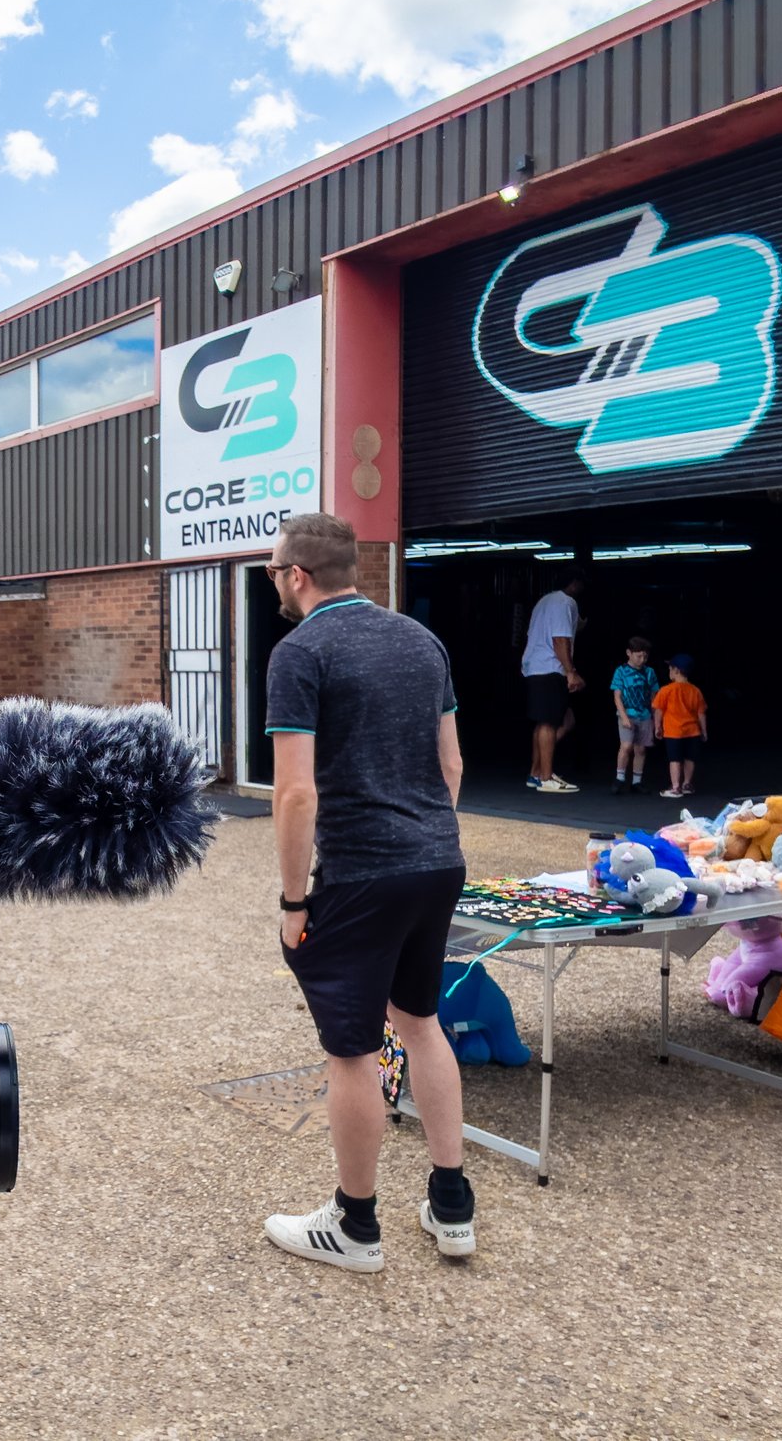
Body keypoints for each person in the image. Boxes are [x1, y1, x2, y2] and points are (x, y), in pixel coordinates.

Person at [261, 513, 474, 1274]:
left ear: (296, 575)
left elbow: (295, 794)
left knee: (350, 1049)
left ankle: (355, 1227)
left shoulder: (300, 651)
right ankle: (452, 1207)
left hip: (361, 873)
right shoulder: (422, 641)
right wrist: (426, 840)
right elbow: (451, 764)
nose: (275, 580)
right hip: (437, 861)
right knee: (421, 1022)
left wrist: (294, 902)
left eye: (273, 570)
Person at [522, 570, 587, 794]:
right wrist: (571, 672)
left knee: (559, 720)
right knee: (549, 723)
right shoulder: (565, 602)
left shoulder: (544, 601)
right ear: (575, 583)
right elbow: (560, 638)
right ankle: (546, 777)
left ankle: (536, 773)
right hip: (550, 667)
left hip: (535, 666)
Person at [653, 653, 708, 798]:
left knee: (675, 759)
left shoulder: (666, 690)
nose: (669, 672)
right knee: (690, 758)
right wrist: (704, 730)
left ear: (676, 670)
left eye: (670, 669)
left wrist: (657, 726)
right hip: (693, 731)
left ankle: (676, 787)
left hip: (673, 732)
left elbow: (659, 710)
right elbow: (701, 713)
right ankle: (687, 784)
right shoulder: (695, 691)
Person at [610, 636, 659, 794]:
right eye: (639, 656)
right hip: (627, 714)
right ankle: (619, 777)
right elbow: (617, 696)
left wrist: (655, 719)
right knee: (626, 746)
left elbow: (654, 697)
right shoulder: (621, 671)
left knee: (641, 749)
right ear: (629, 653)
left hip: (644, 715)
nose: (642, 660)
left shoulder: (649, 672)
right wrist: (624, 716)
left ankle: (636, 781)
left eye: (645, 656)